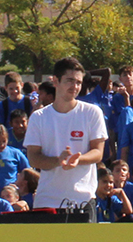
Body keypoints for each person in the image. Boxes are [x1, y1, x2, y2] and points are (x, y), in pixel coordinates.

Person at [25, 57, 107, 210]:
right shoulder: (38, 117)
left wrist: (78, 159)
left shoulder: (92, 112)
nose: (75, 86)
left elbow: (98, 152)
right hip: (47, 200)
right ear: (56, 81)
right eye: (69, 81)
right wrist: (58, 161)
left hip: (83, 198)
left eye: (78, 82)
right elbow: (33, 158)